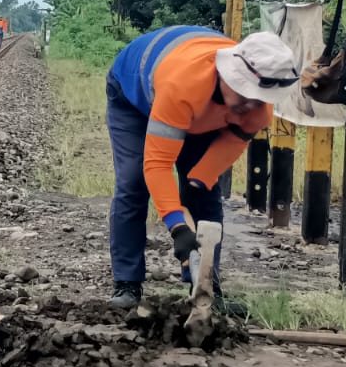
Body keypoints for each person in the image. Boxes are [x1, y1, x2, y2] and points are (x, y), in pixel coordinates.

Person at [104, 27, 299, 309]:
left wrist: (200, 178)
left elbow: (232, 143)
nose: (251, 105)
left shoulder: (257, 108)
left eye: (259, 100)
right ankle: (127, 283)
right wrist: (177, 226)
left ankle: (205, 287)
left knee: (204, 193)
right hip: (132, 95)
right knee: (134, 182)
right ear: (228, 74)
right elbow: (158, 164)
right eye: (246, 94)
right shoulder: (183, 85)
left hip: (202, 110)